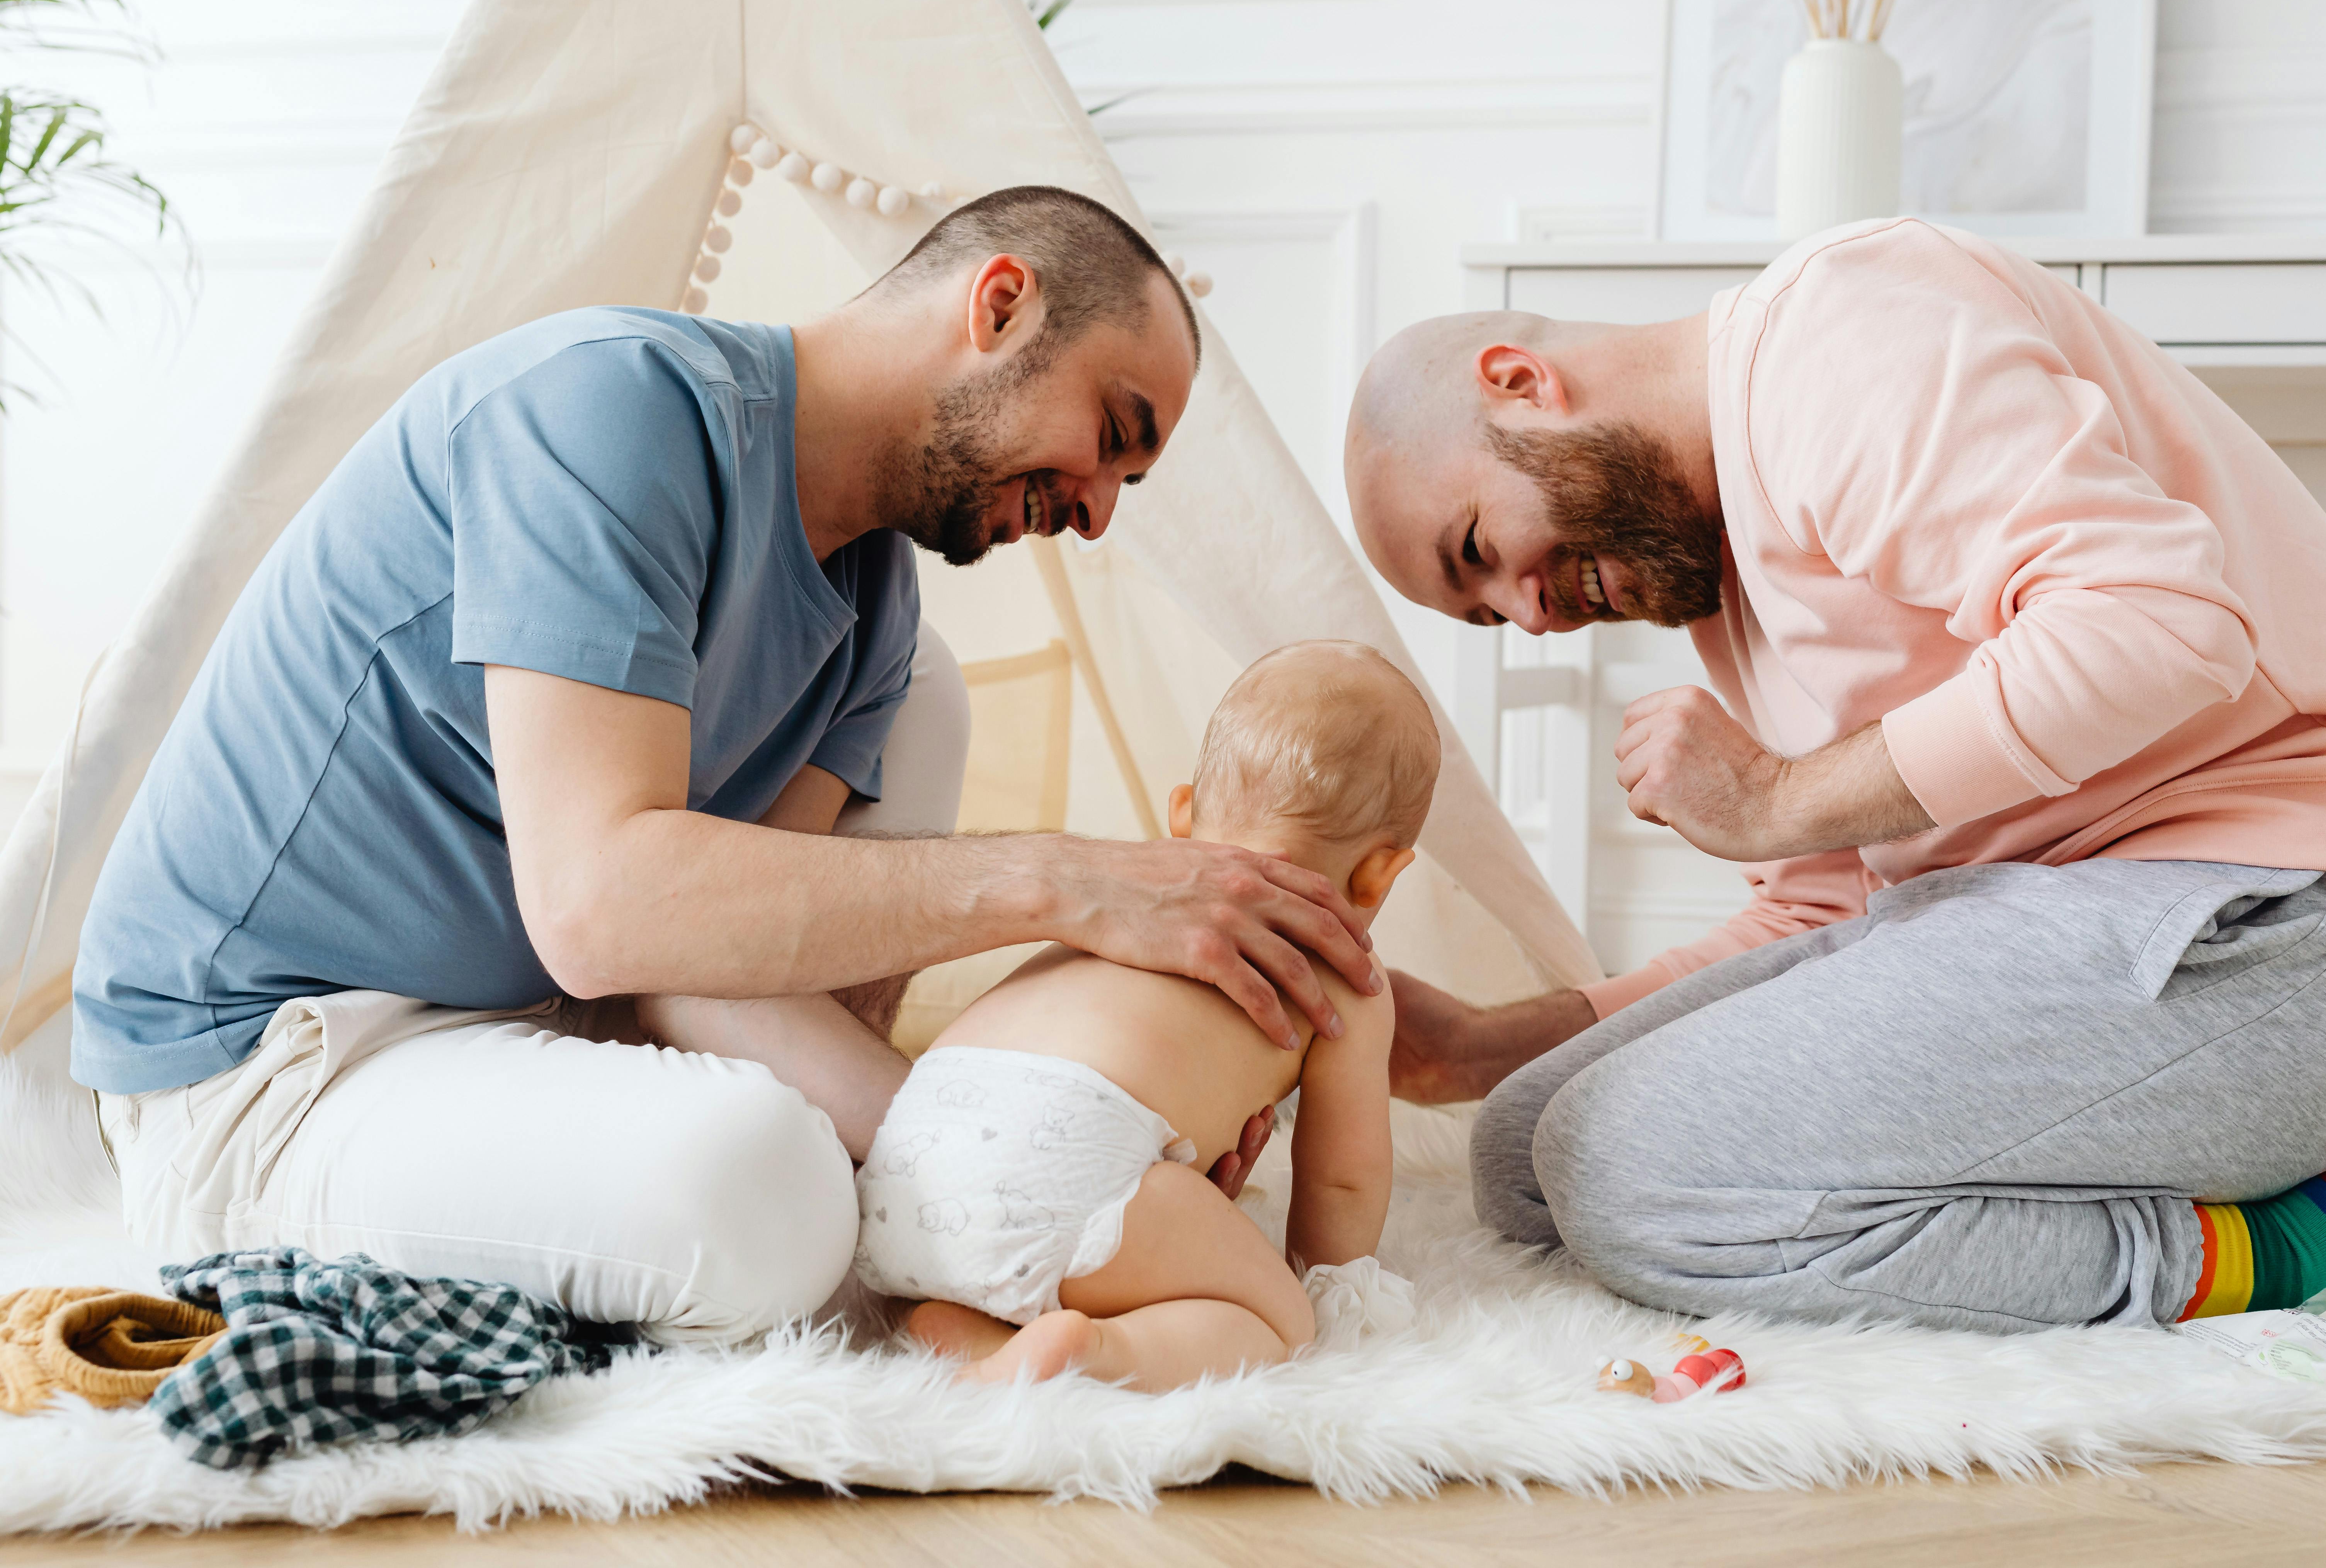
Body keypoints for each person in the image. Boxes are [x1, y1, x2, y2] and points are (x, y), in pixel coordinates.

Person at [72, 185, 1385, 1345]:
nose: (1096, 511)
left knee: (920, 734)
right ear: (998, 305)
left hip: (520, 1028)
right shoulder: (610, 408)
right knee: (769, 1194)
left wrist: (1040, 1157)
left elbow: (704, 971)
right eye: (1114, 427)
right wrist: (1066, 881)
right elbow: (603, 915)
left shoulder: (876, 617)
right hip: (269, 1075)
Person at [1345, 216, 2326, 1340]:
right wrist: (1476, 1048)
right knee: (1525, 1154)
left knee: (1642, 1184)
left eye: (1479, 553)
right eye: (1488, 617)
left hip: (2308, 911)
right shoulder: (1725, 578)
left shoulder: (1840, 342)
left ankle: (2301, 1253)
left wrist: (1775, 797)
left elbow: (2159, 625)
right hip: (2066, 915)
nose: (1529, 613)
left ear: (1519, 382)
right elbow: (1819, 911)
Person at [874, 640, 1429, 1389]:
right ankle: (1097, 1353)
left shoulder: (1122, 899)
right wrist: (1330, 1281)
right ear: (1381, 869)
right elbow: (1342, 1180)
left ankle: (957, 1324)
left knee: (1070, 1232)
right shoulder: (1343, 974)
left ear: (1182, 811)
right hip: (1067, 1173)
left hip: (906, 1175)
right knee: (1278, 1318)